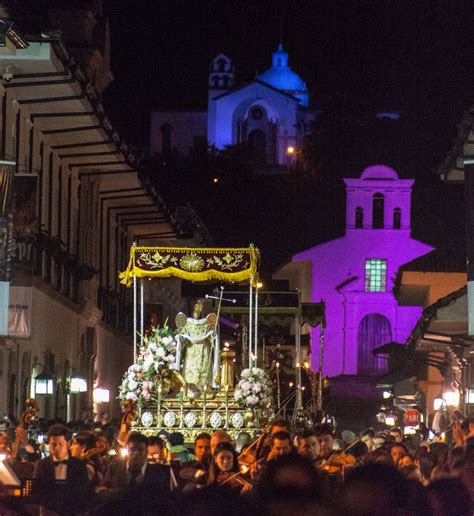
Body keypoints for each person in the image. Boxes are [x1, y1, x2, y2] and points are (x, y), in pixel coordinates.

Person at [103, 432, 171, 493]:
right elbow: (105, 486)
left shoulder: (158, 473)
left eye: (140, 450)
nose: (136, 453)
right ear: (128, 450)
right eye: (132, 449)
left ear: (146, 452)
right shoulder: (115, 467)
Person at [175, 301, 218, 387]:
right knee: (190, 376)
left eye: (199, 309)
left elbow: (211, 339)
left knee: (203, 376)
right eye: (196, 309)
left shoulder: (206, 324)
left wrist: (212, 336)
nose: (197, 311)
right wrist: (181, 339)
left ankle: (205, 390)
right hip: (191, 354)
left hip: (204, 352)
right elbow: (184, 340)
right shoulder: (187, 324)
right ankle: (189, 389)